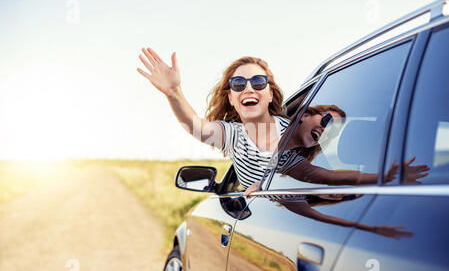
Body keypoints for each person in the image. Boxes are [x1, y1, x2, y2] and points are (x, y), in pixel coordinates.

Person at [137, 48, 291, 189]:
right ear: (231, 98)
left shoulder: (296, 128)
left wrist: (270, 186)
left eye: (258, 82)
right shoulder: (234, 136)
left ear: (270, 93)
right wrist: (173, 91)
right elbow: (197, 128)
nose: (249, 89)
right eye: (238, 84)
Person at [244, 104, 430, 195]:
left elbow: (331, 177)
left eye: (331, 133)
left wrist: (387, 177)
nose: (326, 131)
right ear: (305, 115)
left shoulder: (291, 162)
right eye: (327, 121)